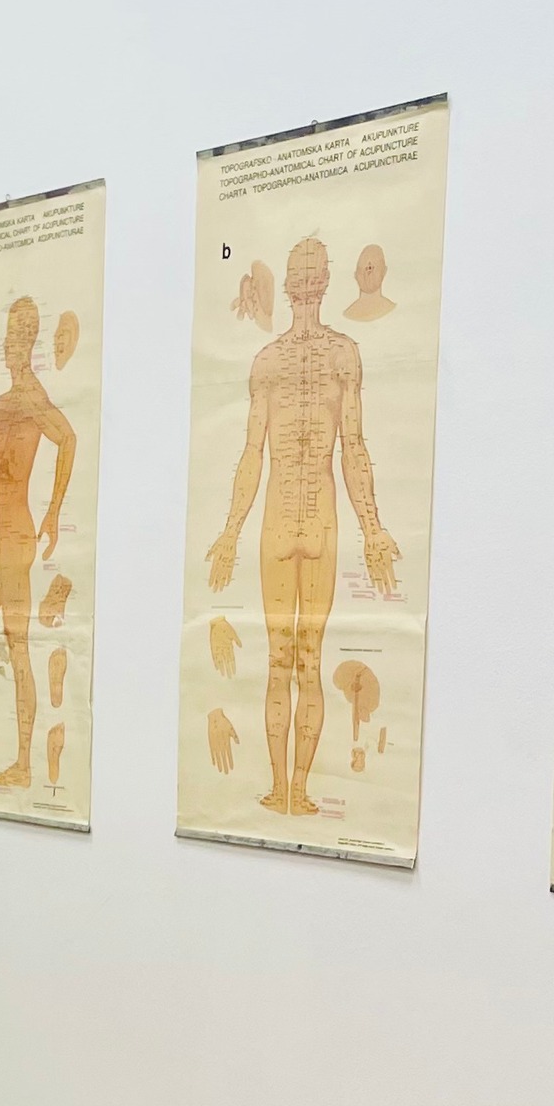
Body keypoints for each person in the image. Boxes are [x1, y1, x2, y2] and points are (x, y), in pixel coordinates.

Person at [206, 237, 400, 817]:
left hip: (309, 519)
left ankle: (293, 788)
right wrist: (230, 530)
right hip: (289, 520)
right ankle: (284, 788)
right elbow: (254, 453)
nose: (309, 281)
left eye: (312, 272)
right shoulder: (279, 361)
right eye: (305, 273)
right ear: (301, 284)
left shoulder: (336, 357)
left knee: (298, 660)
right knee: (289, 660)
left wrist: (373, 528)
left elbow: (352, 448)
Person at [0, 298, 75, 789]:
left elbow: (68, 438)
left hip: (17, 538)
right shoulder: (12, 399)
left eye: (16, 337)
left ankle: (23, 764)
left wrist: (54, 510)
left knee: (16, 646)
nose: (7, 345)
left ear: (27, 343)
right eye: (7, 336)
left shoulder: (27, 397)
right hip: (7, 540)